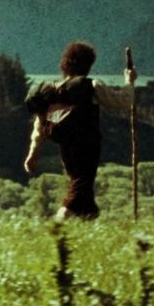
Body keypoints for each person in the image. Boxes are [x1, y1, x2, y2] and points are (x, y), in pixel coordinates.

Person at [24, 41, 136, 220]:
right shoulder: (90, 86)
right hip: (88, 147)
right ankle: (56, 230)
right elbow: (121, 102)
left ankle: (89, 222)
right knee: (77, 193)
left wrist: (33, 154)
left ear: (65, 64)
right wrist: (129, 82)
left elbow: (40, 126)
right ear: (88, 65)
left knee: (85, 198)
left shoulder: (53, 90)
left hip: (66, 148)